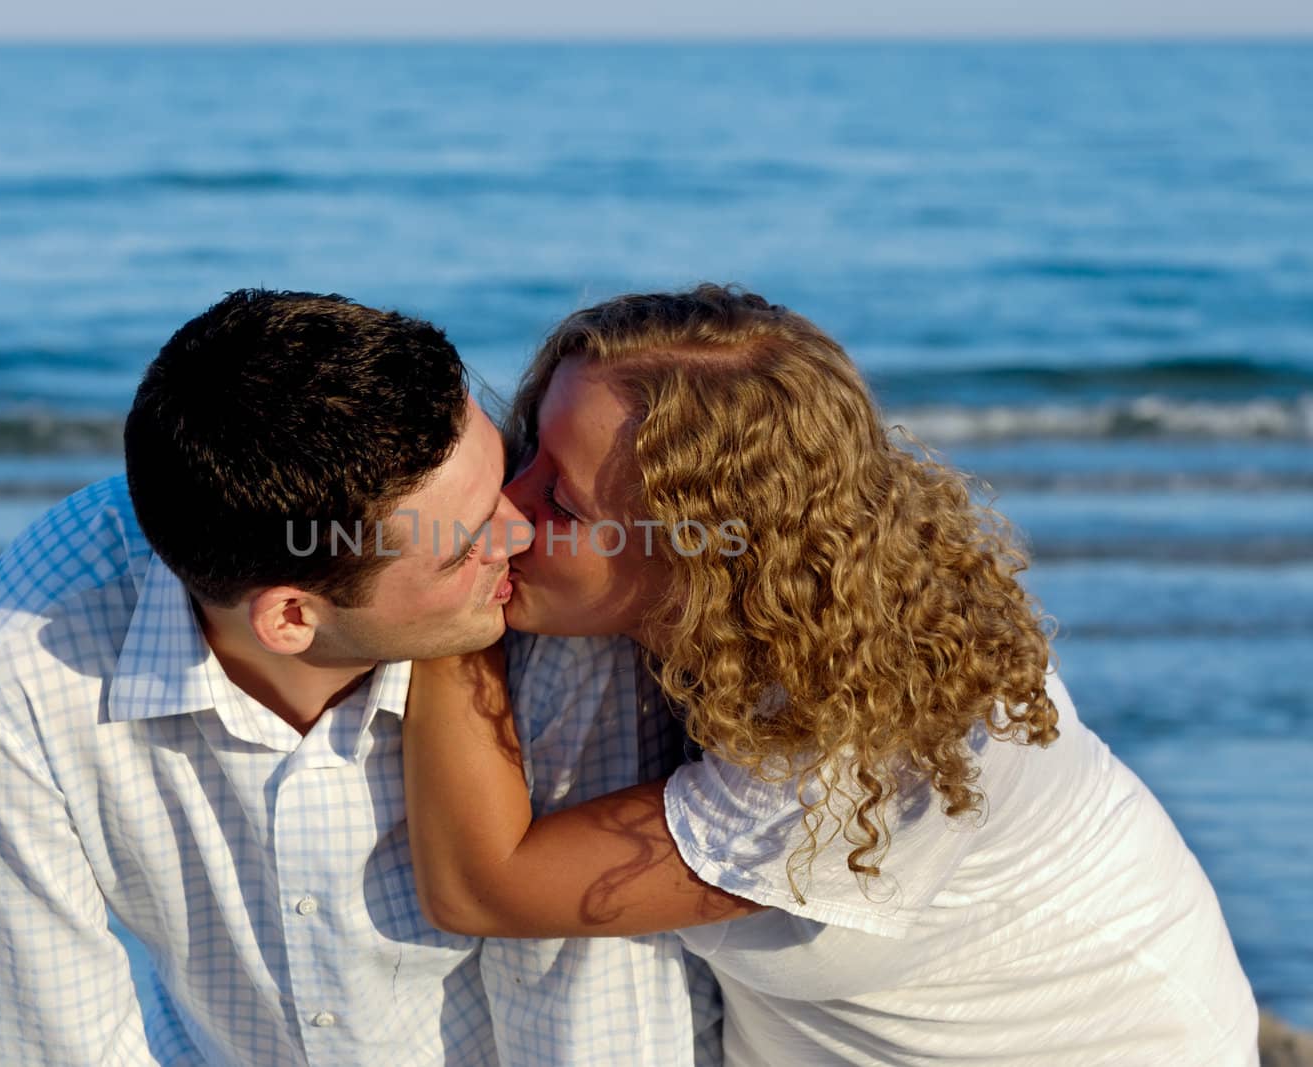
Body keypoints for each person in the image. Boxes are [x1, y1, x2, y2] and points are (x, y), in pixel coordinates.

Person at [401, 284, 1259, 1065]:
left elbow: (485, 886)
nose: (506, 506)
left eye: (562, 503)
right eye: (526, 452)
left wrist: (447, 594)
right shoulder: (809, 600)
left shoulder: (854, 741)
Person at [0, 289, 717, 1065]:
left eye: (497, 467)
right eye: (467, 537)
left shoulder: (559, 612)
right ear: (292, 618)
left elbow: (596, 1001)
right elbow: (33, 1030)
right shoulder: (23, 667)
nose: (523, 525)